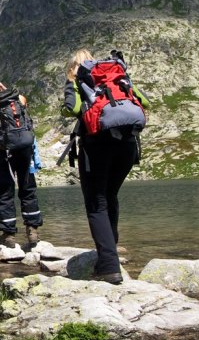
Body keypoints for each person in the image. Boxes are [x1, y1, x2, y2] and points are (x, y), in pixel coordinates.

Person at [61, 49, 149, 285]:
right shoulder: (117, 76)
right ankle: (111, 248)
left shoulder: (78, 80)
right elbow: (144, 101)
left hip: (97, 146)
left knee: (96, 203)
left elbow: (72, 108)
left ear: (73, 67)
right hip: (128, 145)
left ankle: (109, 266)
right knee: (110, 196)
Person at [0, 81, 43, 247]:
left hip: (3, 150)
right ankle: (32, 230)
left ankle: (8, 234)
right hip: (25, 149)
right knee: (28, 187)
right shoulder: (20, 98)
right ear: (4, 89)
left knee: (3, 191)